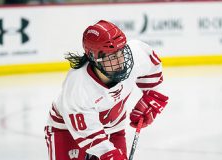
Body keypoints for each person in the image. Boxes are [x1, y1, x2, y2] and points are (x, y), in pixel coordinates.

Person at [44, 20, 169, 160]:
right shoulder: (78, 85)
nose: (120, 60)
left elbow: (153, 67)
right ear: (94, 58)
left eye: (121, 51)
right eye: (112, 56)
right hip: (67, 129)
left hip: (113, 128)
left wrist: (152, 97)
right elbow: (89, 135)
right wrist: (109, 154)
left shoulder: (136, 55)